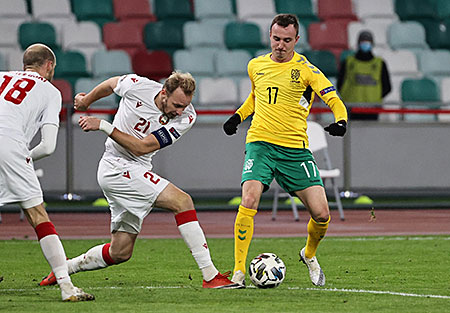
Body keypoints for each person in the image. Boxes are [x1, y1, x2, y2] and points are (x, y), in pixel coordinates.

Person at [39, 71, 240, 289]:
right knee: (183, 202)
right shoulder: (137, 85)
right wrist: (87, 101)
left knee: (120, 252)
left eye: (185, 105)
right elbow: (111, 84)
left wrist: (104, 126)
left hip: (137, 167)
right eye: (177, 104)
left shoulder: (187, 117)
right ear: (164, 93)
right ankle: (210, 275)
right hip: (116, 166)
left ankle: (65, 268)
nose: (180, 111)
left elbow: (141, 146)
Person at [222, 14, 348, 288]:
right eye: (276, 39)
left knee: (322, 215)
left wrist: (341, 120)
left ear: (297, 40)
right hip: (261, 144)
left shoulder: (307, 70)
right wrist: (238, 116)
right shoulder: (256, 65)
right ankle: (239, 272)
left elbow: (333, 98)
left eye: (287, 40)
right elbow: (256, 97)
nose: (280, 45)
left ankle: (309, 254)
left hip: (295, 151)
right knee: (249, 199)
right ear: (270, 36)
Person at [0, 44, 94, 302]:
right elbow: (48, 146)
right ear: (49, 65)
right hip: (11, 145)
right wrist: (25, 157)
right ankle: (66, 287)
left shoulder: (2, 76)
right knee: (37, 215)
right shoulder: (51, 91)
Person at [337, 30, 391, 120]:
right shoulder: (348, 62)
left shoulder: (380, 63)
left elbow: (387, 86)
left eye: (368, 42)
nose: (365, 44)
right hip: (352, 108)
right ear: (358, 43)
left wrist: (374, 98)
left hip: (373, 108)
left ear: (372, 44)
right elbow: (340, 84)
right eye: (363, 42)